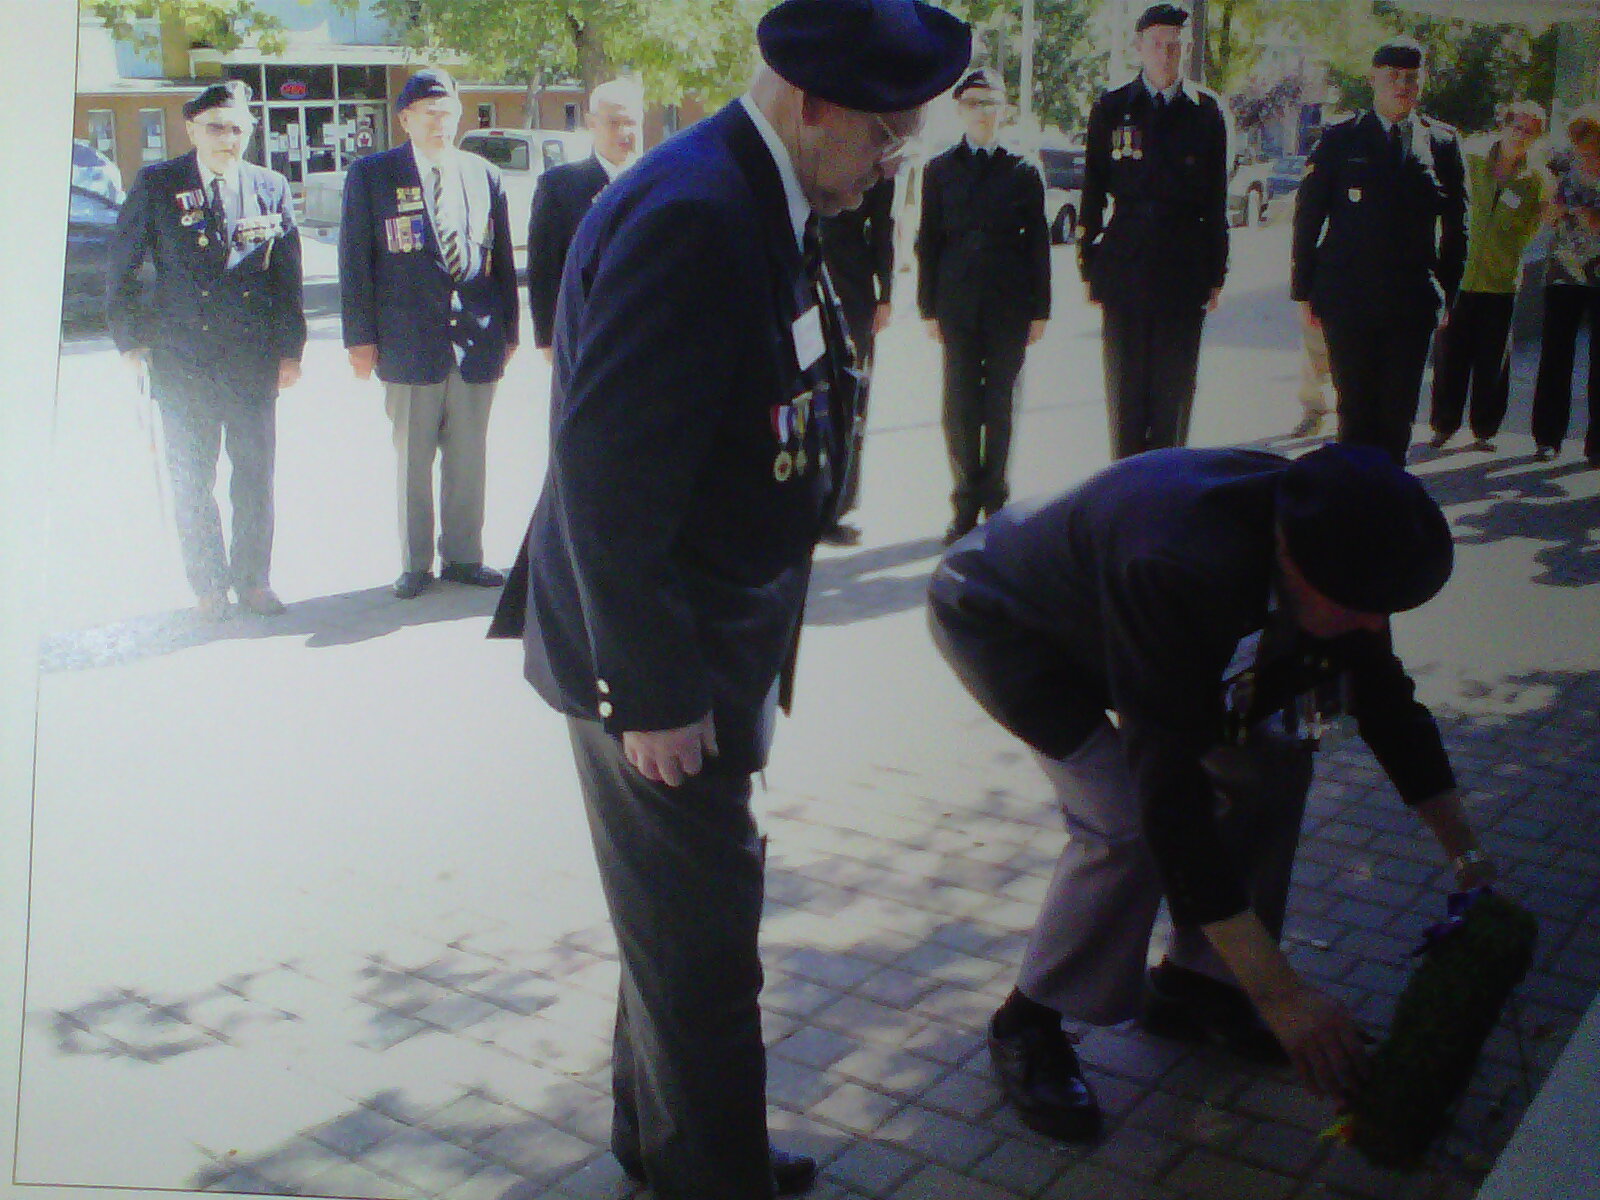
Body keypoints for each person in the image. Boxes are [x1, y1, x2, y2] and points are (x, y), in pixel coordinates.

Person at [487, 1, 970, 1196]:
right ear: (809, 100)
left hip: (711, 630)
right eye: (882, 137)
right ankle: (715, 1178)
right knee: (703, 947)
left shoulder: (762, 189)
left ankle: (662, 1143)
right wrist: (650, 694)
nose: (887, 165)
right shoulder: (700, 214)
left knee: (675, 925)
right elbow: (605, 482)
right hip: (659, 658)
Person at [926, 444, 1496, 1142]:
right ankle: (1028, 1021)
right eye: (1360, 608)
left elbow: (1384, 701)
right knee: (1125, 819)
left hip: (1123, 622)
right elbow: (1169, 797)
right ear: (1290, 559)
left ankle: (1198, 988)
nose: (1375, 626)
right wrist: (1280, 993)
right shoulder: (1179, 560)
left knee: (1272, 764)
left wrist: (1467, 859)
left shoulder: (1336, 541)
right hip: (1008, 621)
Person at [106, 79, 305, 621]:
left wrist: (292, 350)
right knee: (193, 479)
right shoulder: (156, 183)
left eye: (238, 128)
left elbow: (287, 277)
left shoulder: (270, 186)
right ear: (191, 129)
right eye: (216, 126)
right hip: (183, 362)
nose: (228, 138)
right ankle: (209, 588)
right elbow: (122, 268)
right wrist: (132, 340)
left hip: (250, 361)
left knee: (255, 478)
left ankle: (254, 581)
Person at [338, 67, 520, 600]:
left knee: (469, 458)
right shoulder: (372, 175)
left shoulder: (483, 174)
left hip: (475, 340)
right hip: (406, 340)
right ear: (406, 119)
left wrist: (509, 329)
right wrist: (360, 340)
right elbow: (355, 263)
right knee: (413, 460)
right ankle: (415, 563)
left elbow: (501, 260)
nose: (441, 122)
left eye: (449, 113)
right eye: (430, 113)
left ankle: (464, 556)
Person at [1292, 37, 1467, 465]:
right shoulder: (1340, 138)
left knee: (1397, 417)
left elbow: (1458, 227)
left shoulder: (1441, 143)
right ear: (1373, 79)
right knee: (1354, 414)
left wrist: (1448, 294)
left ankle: (1389, 512)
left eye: (1411, 78)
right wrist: (1303, 291)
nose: (1402, 86)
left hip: (1410, 302)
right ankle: (1353, 514)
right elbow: (1309, 217)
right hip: (1348, 299)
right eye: (1393, 77)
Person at [1078, 3, 1229, 461]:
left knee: (1174, 396)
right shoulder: (1112, 108)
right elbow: (1093, 192)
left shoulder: (1206, 111)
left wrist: (1215, 273)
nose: (1167, 53)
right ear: (1139, 47)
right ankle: (1124, 498)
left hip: (1183, 267)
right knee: (1125, 397)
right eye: (1158, 44)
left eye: (1175, 45)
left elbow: (1216, 200)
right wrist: (1089, 264)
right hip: (1125, 265)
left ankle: (1166, 496)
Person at [917, 67, 1050, 544]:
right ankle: (964, 502)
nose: (982, 112)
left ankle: (996, 500)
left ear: (1004, 109)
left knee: (1000, 404)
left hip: (1008, 303)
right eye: (973, 103)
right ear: (960, 110)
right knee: (958, 406)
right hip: (956, 302)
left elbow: (1037, 241)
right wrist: (927, 307)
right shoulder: (939, 169)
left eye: (990, 103)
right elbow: (927, 240)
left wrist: (1041, 310)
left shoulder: (1023, 169)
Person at [1427, 101, 1548, 454]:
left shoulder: (1534, 179)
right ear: (1504, 125)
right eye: (1516, 126)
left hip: (1500, 281)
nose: (1520, 135)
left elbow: (1530, 229)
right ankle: (1443, 425)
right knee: (1451, 355)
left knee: (1492, 359)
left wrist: (1506, 253)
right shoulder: (1472, 159)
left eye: (1529, 131)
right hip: (1460, 276)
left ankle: (1484, 430)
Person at [527, 77, 644, 361]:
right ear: (592, 123)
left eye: (631, 122)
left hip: (644, 336)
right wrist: (547, 341)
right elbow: (544, 270)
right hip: (584, 338)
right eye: (614, 123)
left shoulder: (659, 181)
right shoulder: (559, 186)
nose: (624, 132)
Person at [816, 175, 897, 546]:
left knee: (851, 401)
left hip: (855, 292)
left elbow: (882, 227)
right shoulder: (805, 147)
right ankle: (806, 503)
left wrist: (885, 293)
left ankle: (838, 506)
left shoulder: (875, 161)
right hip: (806, 283)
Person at [1530, 107, 1600, 466]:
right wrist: (1553, 210)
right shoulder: (1562, 169)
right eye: (1580, 144)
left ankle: (1596, 445)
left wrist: (1591, 219)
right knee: (1556, 355)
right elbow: (1544, 212)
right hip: (1562, 273)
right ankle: (1547, 438)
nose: (1586, 152)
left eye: (1591, 145)